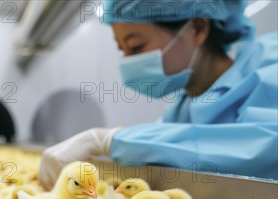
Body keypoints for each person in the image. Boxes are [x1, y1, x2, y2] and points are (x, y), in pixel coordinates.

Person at [39, 0, 277, 189]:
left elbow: (263, 149)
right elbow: (168, 149)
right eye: (122, 49)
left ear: (197, 28)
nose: (128, 62)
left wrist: (105, 140)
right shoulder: (181, 106)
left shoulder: (269, 67)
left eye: (135, 47)